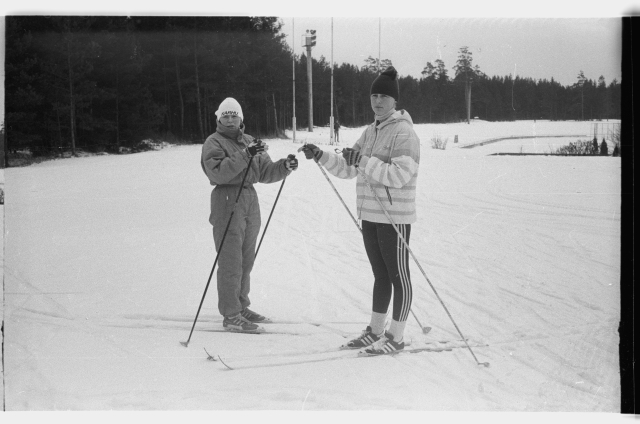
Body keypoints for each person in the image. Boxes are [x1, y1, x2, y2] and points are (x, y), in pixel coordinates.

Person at [301, 67, 420, 355]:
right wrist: (322, 155)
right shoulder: (369, 132)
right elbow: (348, 167)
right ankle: (376, 331)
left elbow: (399, 176)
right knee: (380, 276)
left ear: (395, 100)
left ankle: (397, 336)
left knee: (398, 277)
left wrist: (364, 161)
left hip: (394, 217)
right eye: (374, 95)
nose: (378, 101)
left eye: (384, 96)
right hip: (370, 215)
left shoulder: (405, 133)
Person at [201, 97, 298, 333]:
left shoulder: (249, 141)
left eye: (235, 115)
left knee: (246, 259)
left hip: (249, 200)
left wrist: (284, 166)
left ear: (241, 117)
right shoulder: (214, 142)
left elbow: (265, 172)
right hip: (227, 199)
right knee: (230, 260)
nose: (231, 119)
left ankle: (241, 306)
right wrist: (245, 154)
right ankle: (231, 314)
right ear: (219, 118)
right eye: (226, 115)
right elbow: (218, 172)